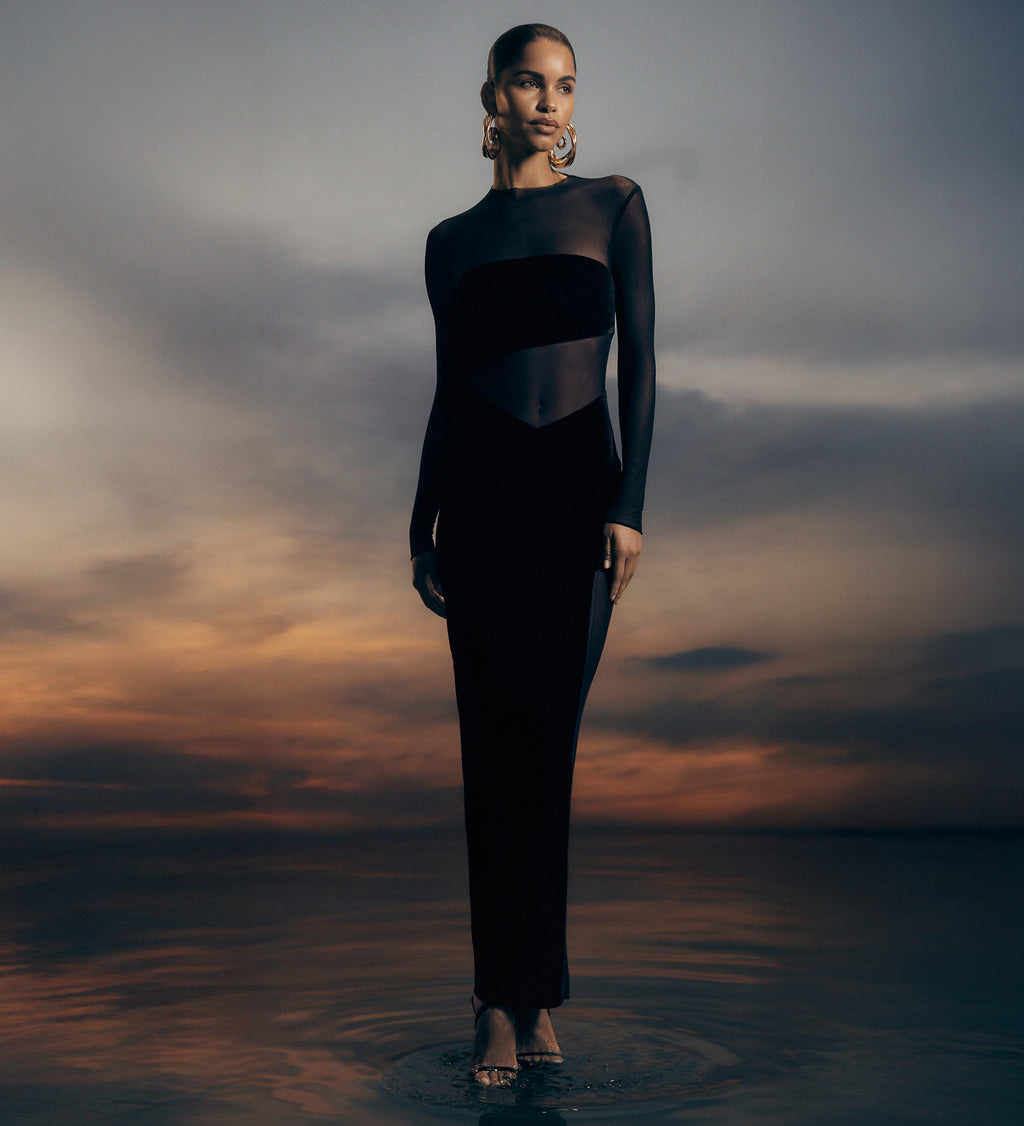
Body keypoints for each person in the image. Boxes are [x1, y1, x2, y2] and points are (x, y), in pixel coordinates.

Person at [410, 23, 655, 1086]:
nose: (549, 101)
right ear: (492, 98)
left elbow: (643, 363)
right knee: (491, 749)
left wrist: (629, 504)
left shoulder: (614, 205)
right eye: (528, 81)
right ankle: (499, 1006)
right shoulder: (450, 242)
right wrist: (419, 523)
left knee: (545, 744)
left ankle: (531, 988)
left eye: (563, 85)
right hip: (481, 498)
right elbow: (446, 391)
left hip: (576, 494)